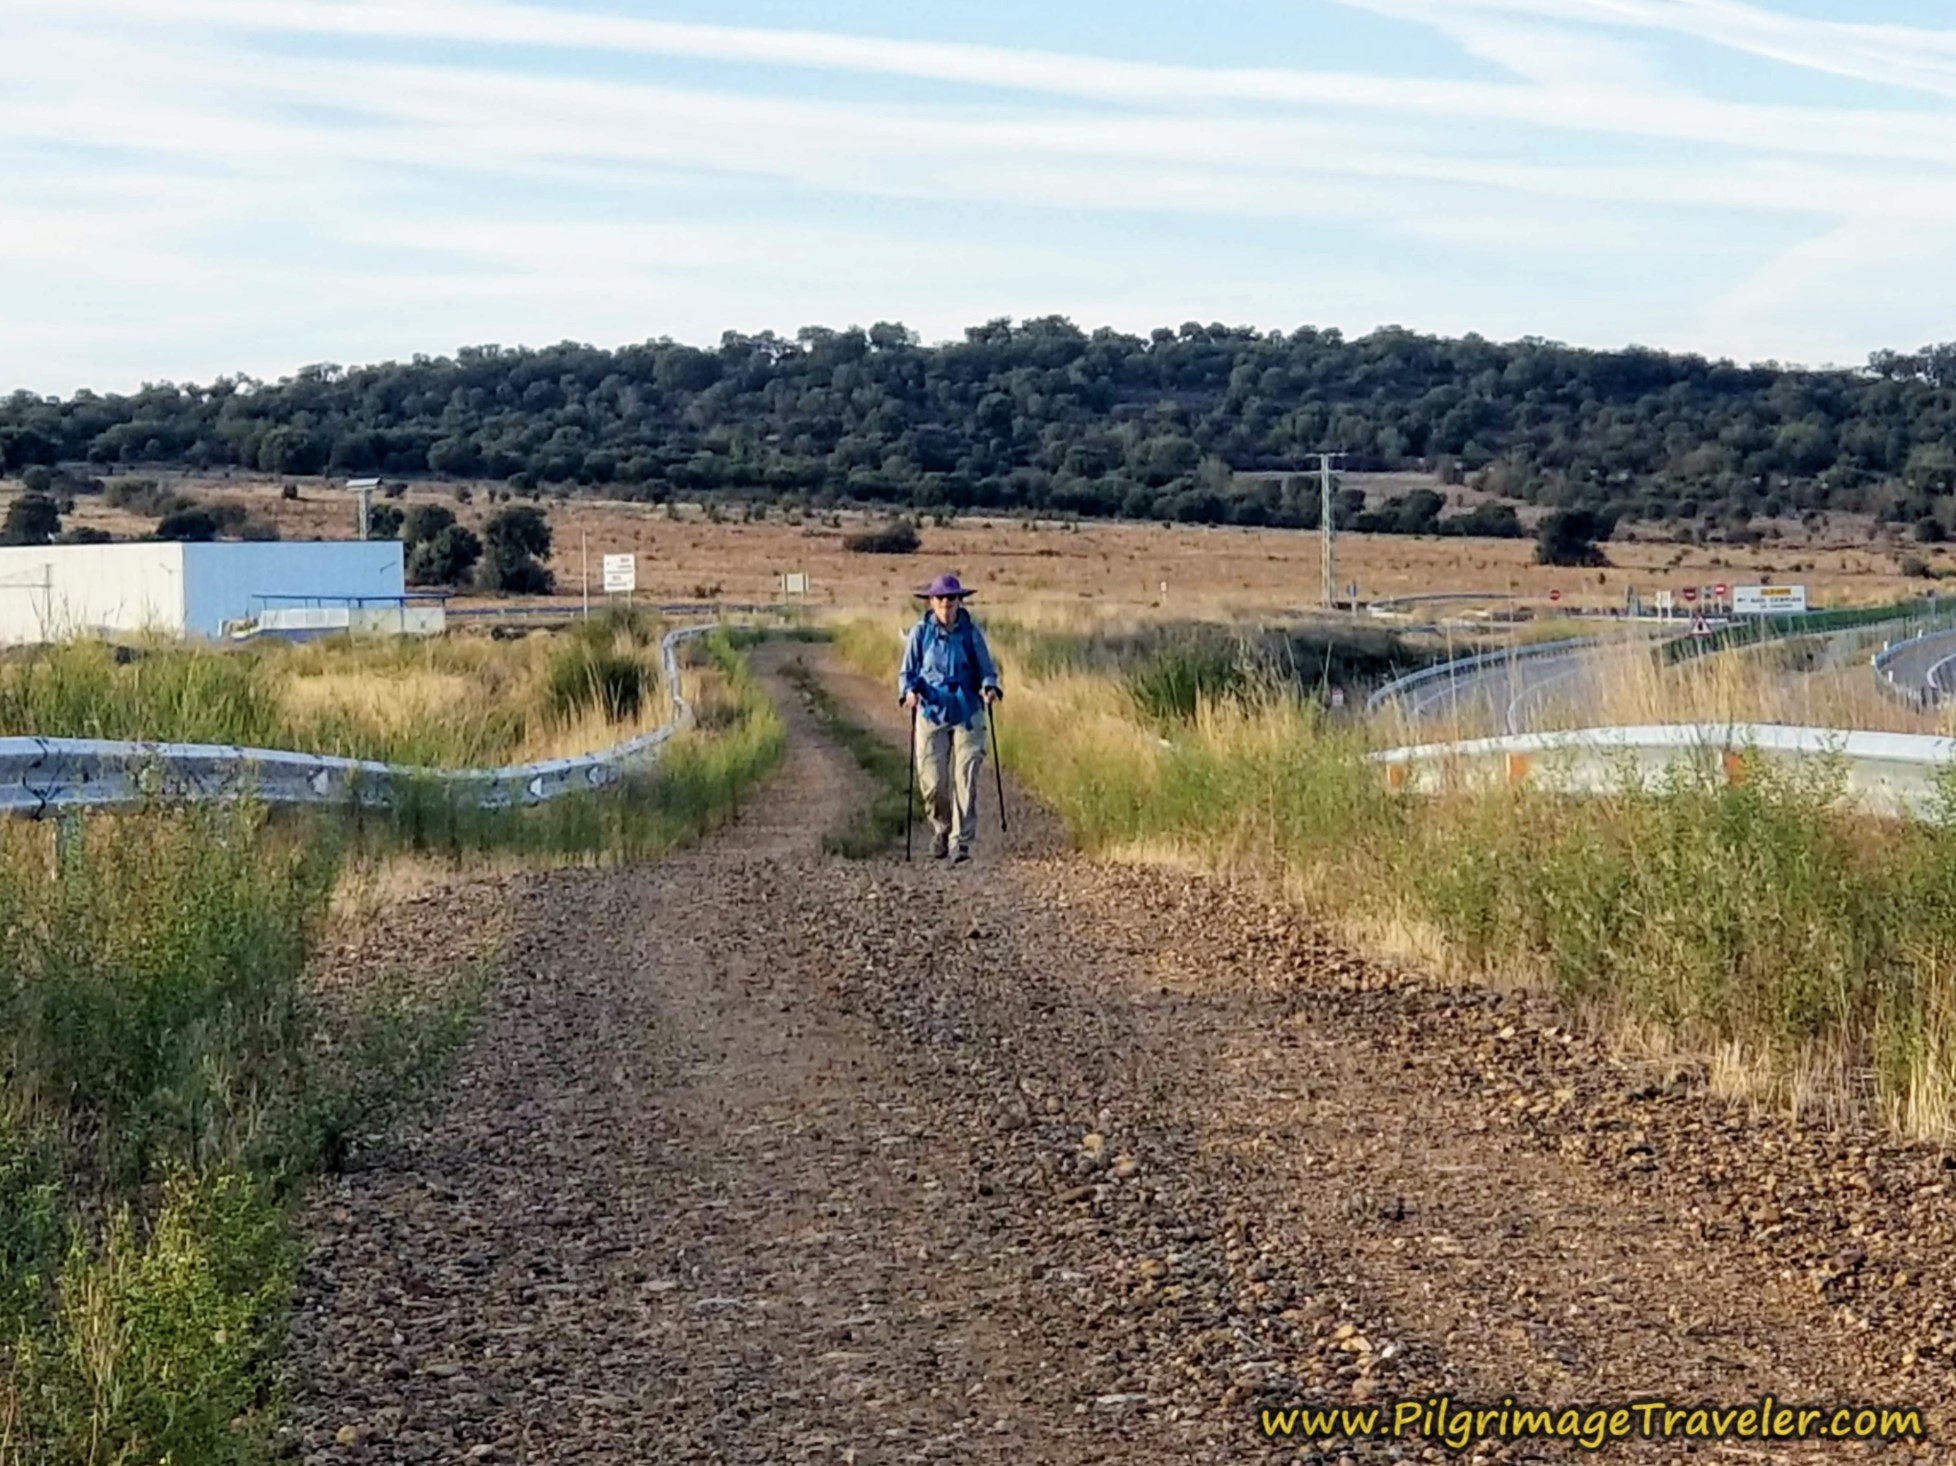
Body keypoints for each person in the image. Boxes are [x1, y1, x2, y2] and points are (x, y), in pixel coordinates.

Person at [897, 573, 1001, 863]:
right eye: (940, 597)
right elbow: (907, 673)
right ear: (931, 601)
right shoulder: (920, 633)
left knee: (965, 777)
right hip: (932, 712)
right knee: (933, 782)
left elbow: (987, 670)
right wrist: (909, 692)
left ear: (959, 601)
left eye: (951, 597)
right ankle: (941, 829)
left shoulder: (971, 633)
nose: (946, 603)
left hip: (967, 711)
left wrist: (989, 687)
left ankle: (960, 843)